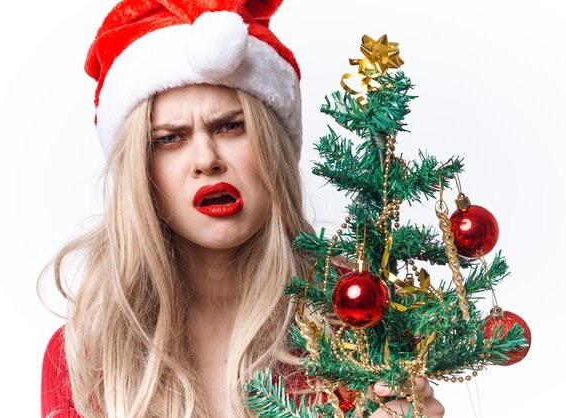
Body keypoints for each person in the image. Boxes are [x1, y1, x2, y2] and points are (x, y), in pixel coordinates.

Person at [40, 1, 445, 417]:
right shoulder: (85, 356)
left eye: (231, 126)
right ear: (140, 173)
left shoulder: (359, 312)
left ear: (273, 145)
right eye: (169, 139)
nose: (206, 159)